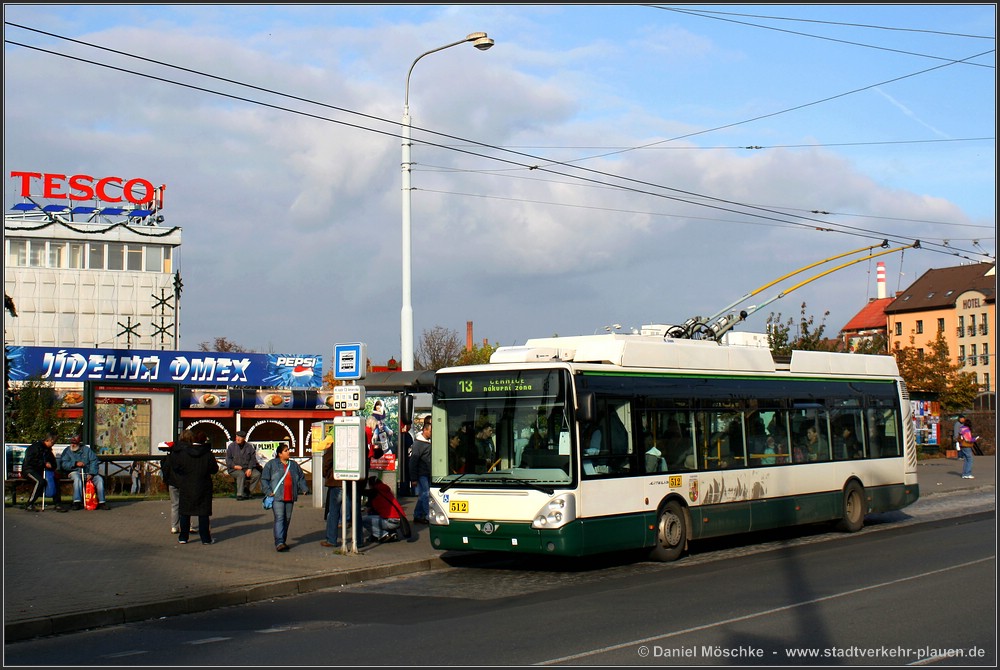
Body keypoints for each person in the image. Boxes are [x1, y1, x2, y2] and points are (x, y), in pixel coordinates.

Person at [164, 429, 218, 545]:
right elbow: (214, 469)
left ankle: (183, 537)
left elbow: (177, 466)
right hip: (203, 485)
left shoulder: (184, 453)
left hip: (186, 484)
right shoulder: (207, 454)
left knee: (185, 512)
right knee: (203, 513)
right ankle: (205, 538)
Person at [262, 440, 309, 552]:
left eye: (288, 450)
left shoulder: (293, 465)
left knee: (287, 519)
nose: (288, 452)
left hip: (290, 496)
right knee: (279, 518)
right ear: (280, 454)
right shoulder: (272, 464)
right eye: (286, 451)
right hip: (277, 497)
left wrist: (304, 488)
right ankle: (279, 542)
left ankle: (282, 540)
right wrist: (268, 491)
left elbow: (301, 477)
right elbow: (264, 479)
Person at [319, 440, 361, 549]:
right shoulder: (358, 442)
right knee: (355, 511)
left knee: (333, 511)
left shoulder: (337, 443)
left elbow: (327, 460)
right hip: (353, 480)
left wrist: (326, 474)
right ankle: (358, 540)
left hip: (337, 480)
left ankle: (331, 539)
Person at [59, 436, 110, 510]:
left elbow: (94, 461)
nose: (73, 445)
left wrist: (92, 473)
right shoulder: (67, 451)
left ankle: (102, 502)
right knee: (77, 478)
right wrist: (75, 463)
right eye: (72, 443)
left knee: (99, 479)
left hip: (88, 472)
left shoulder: (86, 450)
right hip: (74, 472)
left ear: (79, 443)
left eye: (75, 443)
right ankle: (77, 501)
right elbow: (64, 464)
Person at [21, 433, 67, 512]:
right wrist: (43, 464)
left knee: (55, 481)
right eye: (52, 443)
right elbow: (30, 460)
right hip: (29, 470)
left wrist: (51, 465)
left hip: (42, 471)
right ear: (48, 440)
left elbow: (54, 463)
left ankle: (57, 504)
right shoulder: (34, 447)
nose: (53, 445)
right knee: (40, 481)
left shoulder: (48, 450)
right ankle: (29, 504)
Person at [362, 475, 403, 543]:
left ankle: (383, 534)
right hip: (399, 520)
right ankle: (393, 533)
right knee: (381, 515)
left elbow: (363, 493)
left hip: (391, 521)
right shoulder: (386, 490)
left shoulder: (374, 492)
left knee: (364, 520)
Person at [225, 430, 261, 500]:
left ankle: (248, 492)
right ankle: (240, 494)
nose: (237, 438)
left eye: (240, 437)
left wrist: (250, 468)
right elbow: (228, 459)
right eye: (237, 436)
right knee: (241, 474)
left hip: (246, 468)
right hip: (234, 469)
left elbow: (252, 459)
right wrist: (234, 466)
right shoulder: (231, 447)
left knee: (257, 474)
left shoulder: (249, 447)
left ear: (244, 438)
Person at [409, 421, 432, 524]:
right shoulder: (418, 444)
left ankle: (418, 514)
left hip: (427, 473)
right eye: (430, 431)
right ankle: (428, 515)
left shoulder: (429, 442)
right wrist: (413, 478)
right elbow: (413, 462)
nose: (432, 433)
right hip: (422, 473)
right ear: (425, 430)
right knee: (426, 494)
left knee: (423, 494)